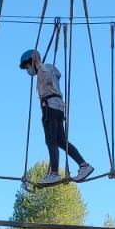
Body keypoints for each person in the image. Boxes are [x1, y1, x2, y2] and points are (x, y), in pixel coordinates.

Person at [20, 49, 92, 186]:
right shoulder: (49, 69)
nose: (28, 70)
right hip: (57, 109)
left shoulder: (44, 69)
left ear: (32, 61)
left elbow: (46, 76)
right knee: (61, 141)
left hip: (50, 109)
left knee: (51, 140)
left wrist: (38, 64)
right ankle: (83, 165)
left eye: (28, 66)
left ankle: (54, 173)